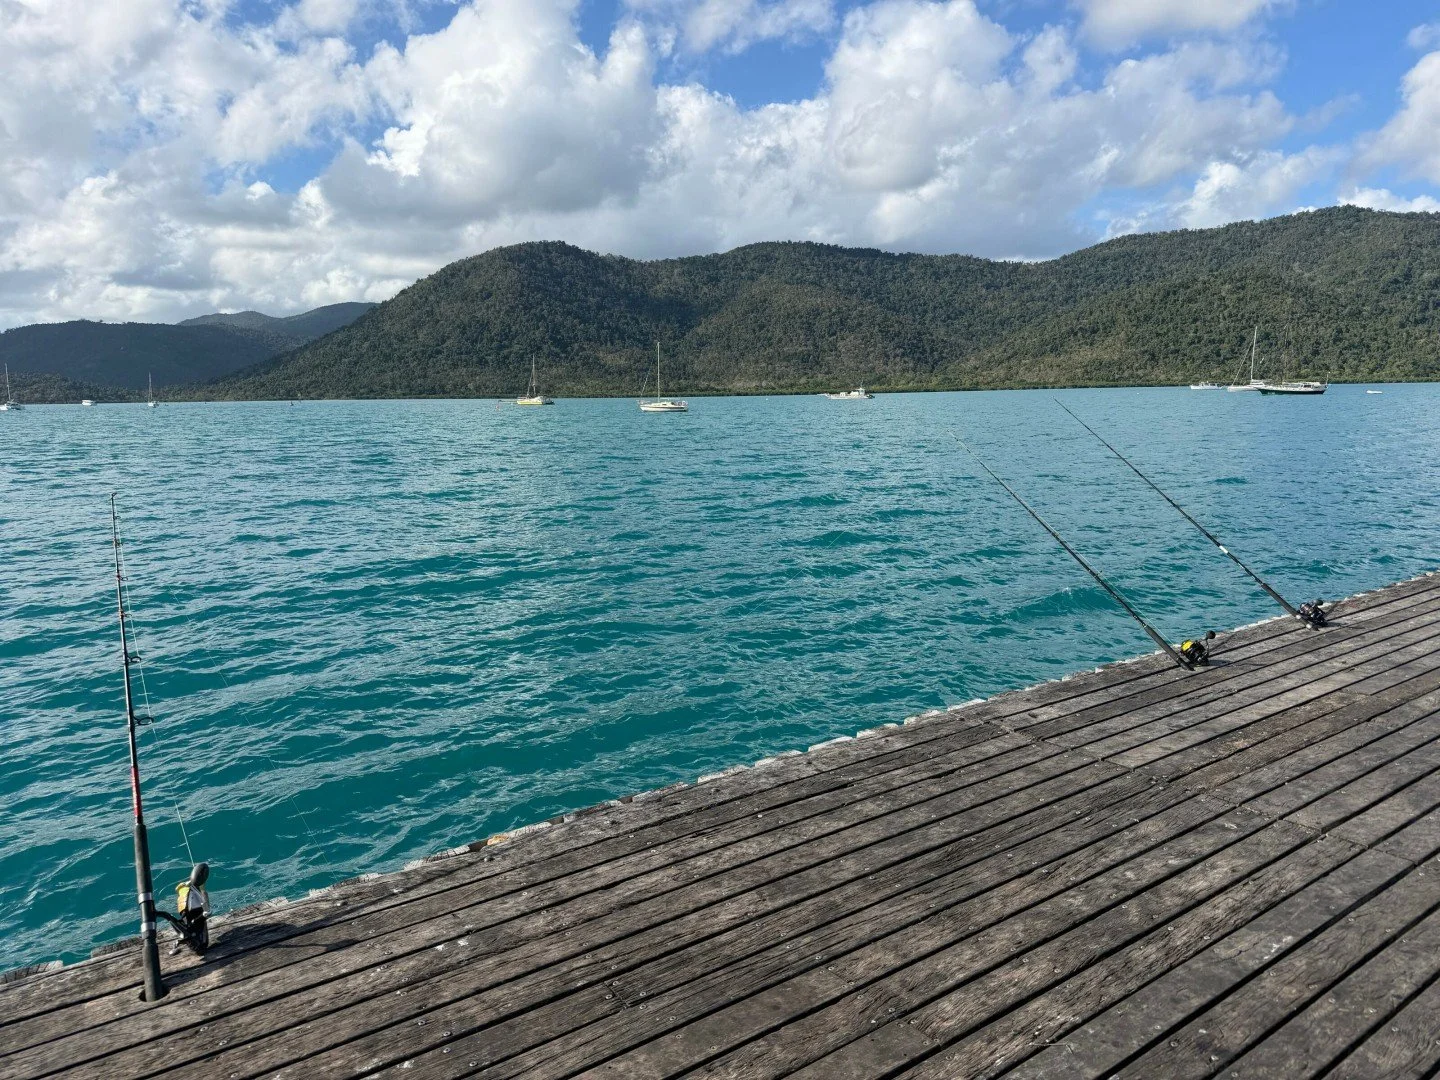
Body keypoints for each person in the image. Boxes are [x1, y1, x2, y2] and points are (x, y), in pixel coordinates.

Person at [160, 863, 211, 956]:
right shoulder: (201, 943)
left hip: (189, 905)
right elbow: (205, 912)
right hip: (191, 908)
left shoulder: (185, 889)